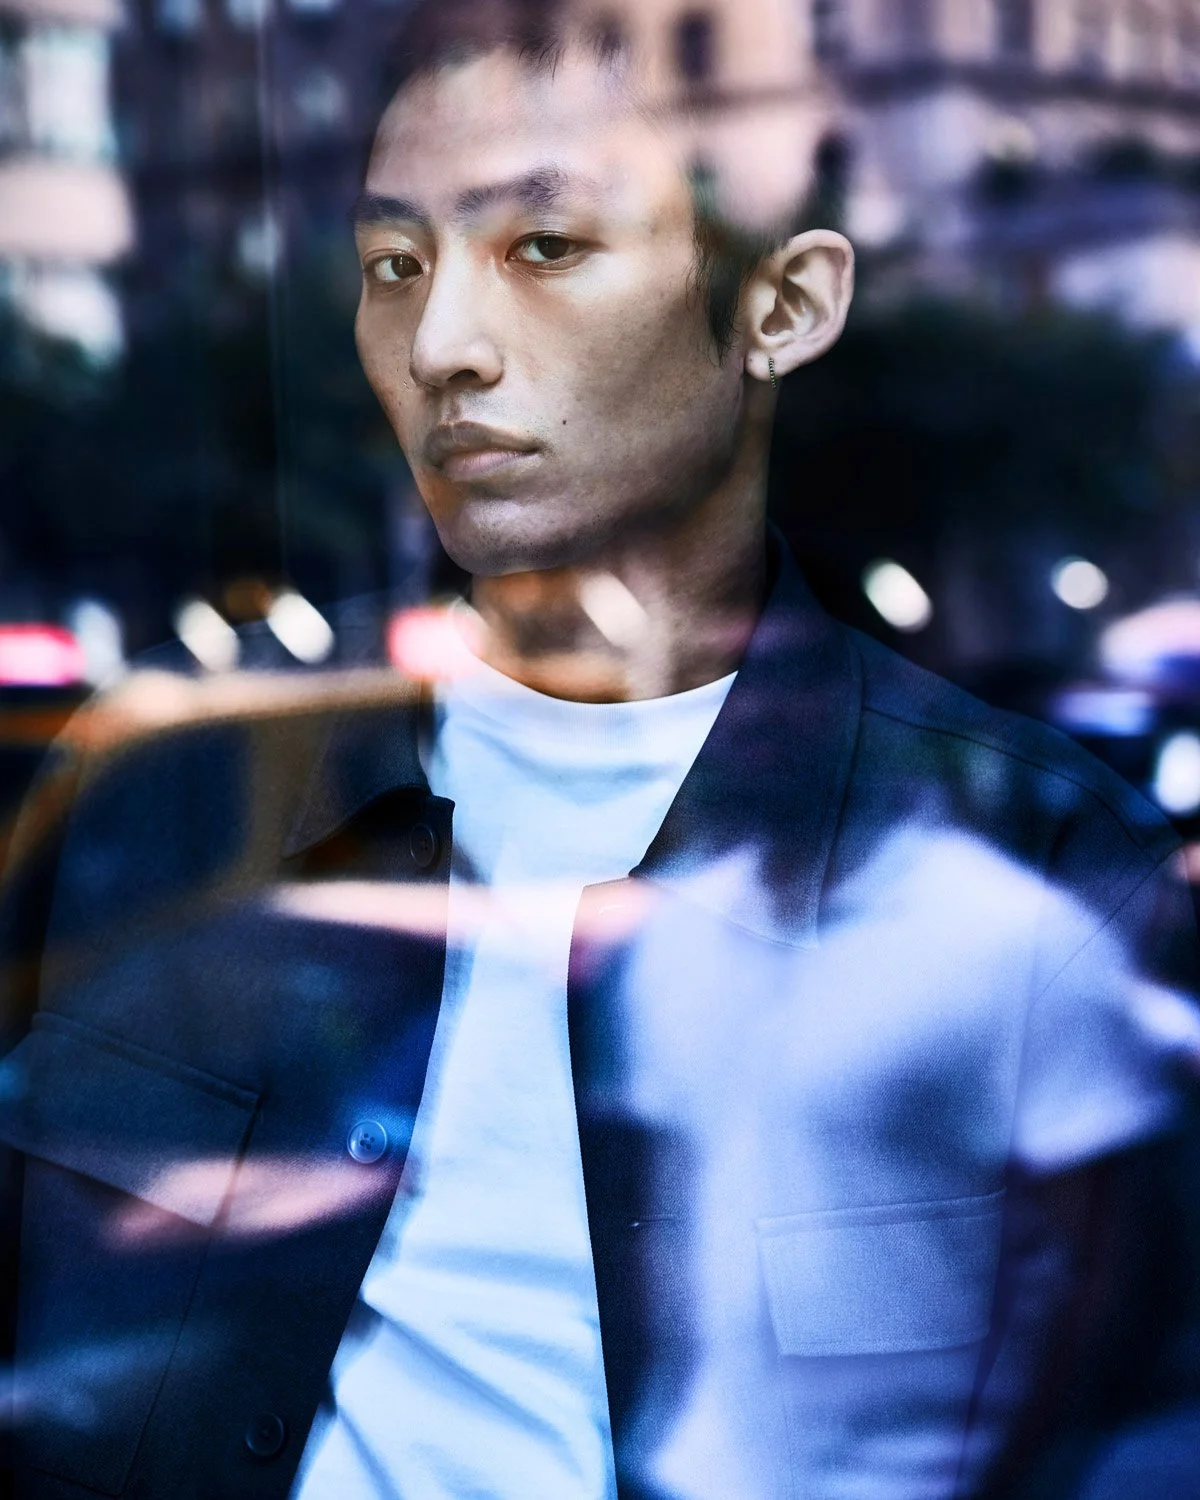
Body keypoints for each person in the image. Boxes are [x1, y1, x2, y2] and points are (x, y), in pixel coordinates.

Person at [2, 7, 1199, 1499]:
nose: (442, 346)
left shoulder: (1040, 860)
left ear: (784, 305)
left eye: (544, 248)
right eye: (393, 267)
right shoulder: (173, 809)